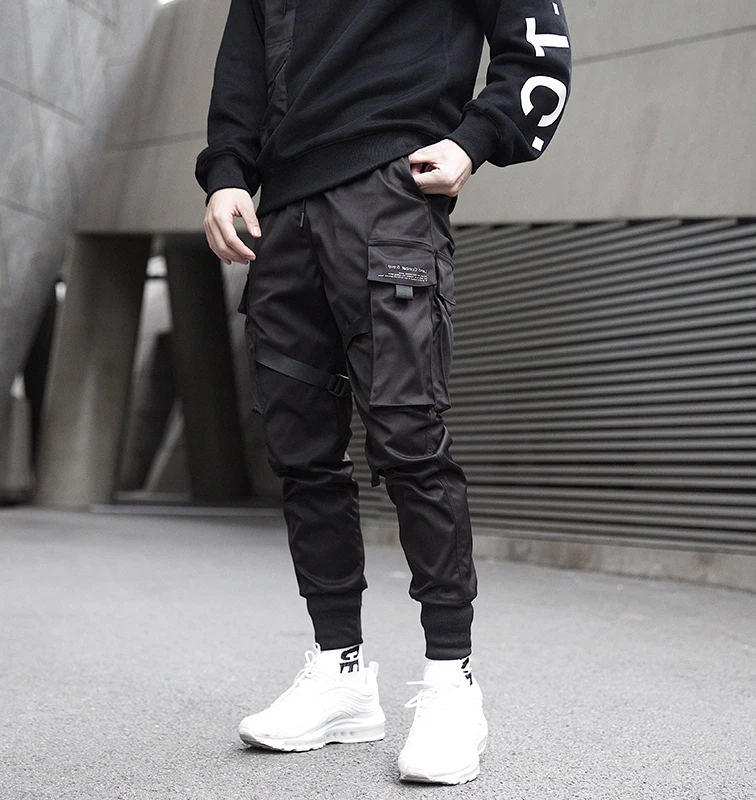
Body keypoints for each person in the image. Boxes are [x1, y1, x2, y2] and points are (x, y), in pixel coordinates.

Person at [196, 0, 571, 785]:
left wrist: (476, 139)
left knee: (409, 442)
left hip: (390, 192)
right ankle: (339, 673)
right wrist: (227, 171)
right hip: (284, 212)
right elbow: (243, 62)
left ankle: (451, 683)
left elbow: (537, 46)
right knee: (301, 454)